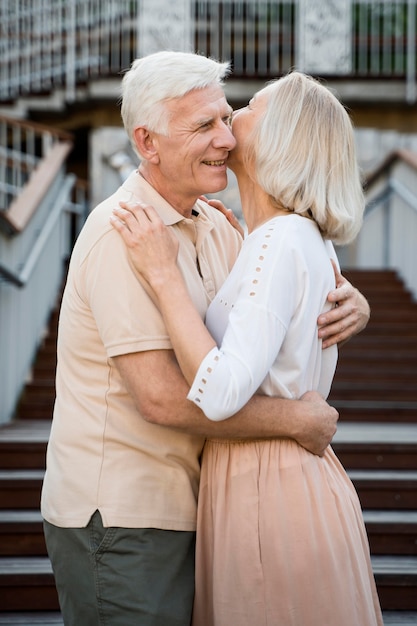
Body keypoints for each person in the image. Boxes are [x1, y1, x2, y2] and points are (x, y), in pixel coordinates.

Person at [41, 51, 370, 626]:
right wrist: (297, 420)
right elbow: (163, 397)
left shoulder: (220, 226)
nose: (225, 139)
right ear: (147, 143)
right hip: (125, 518)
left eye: (226, 117)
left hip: (206, 505)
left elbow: (271, 307)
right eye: (204, 126)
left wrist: (351, 302)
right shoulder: (121, 232)